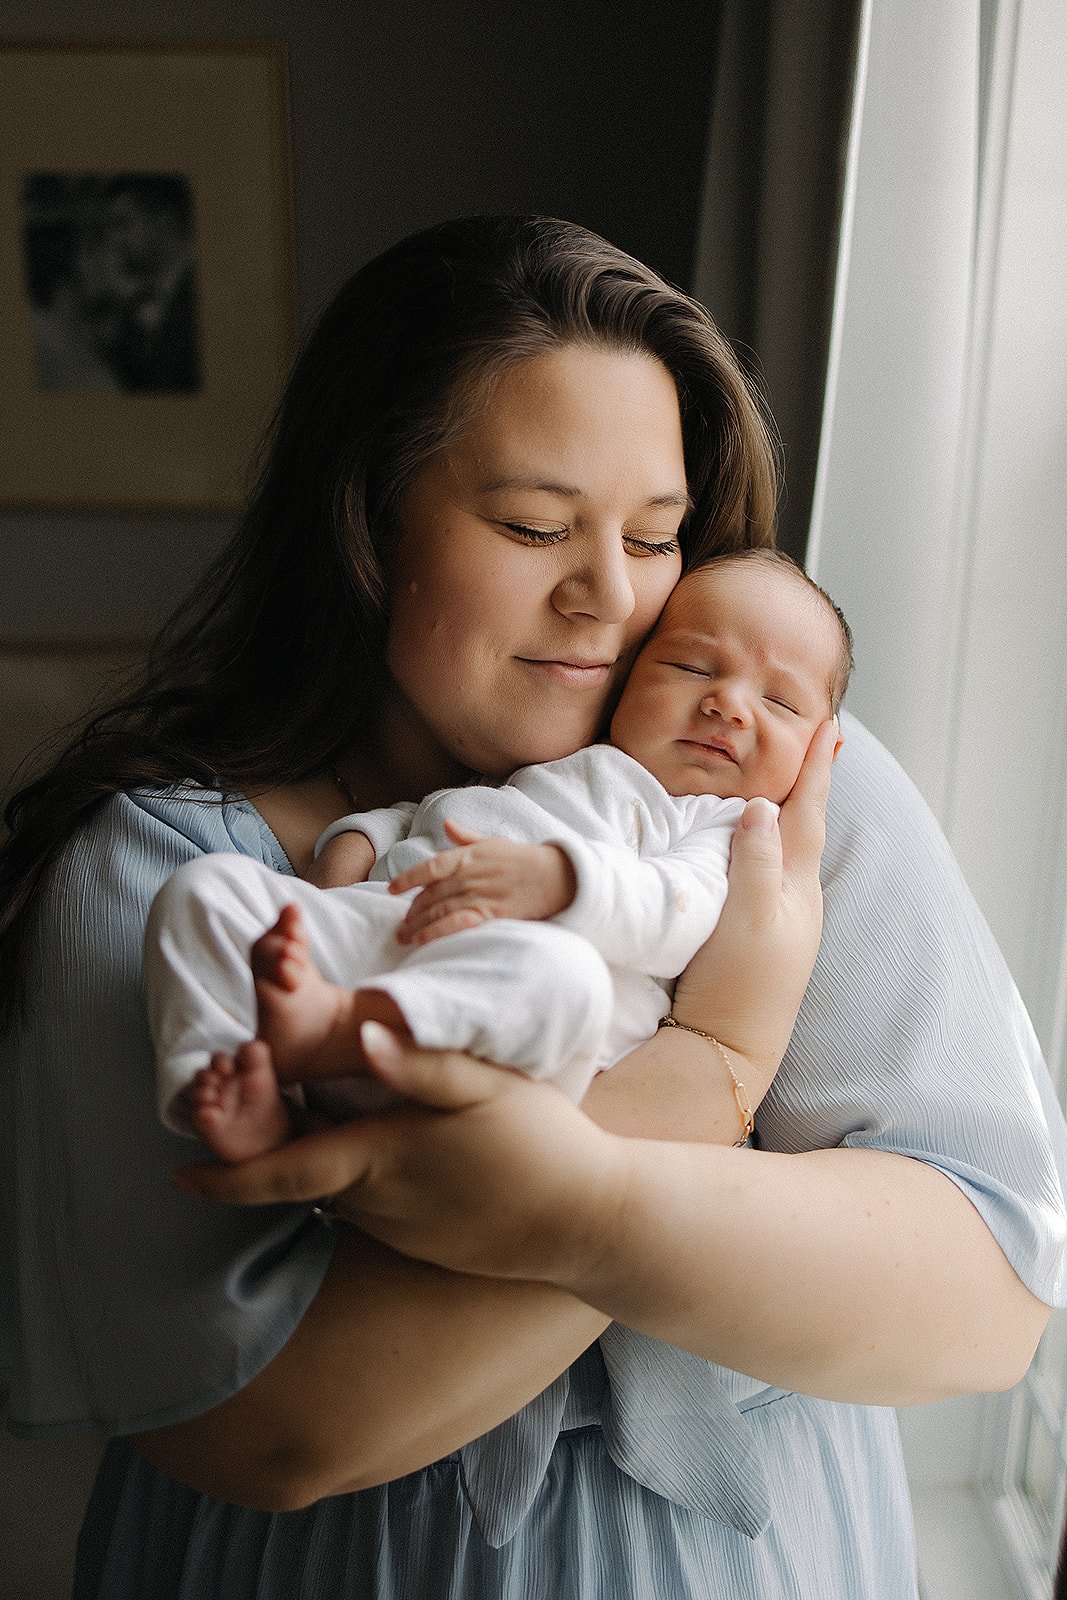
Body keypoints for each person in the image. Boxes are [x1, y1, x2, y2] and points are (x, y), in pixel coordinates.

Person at [0, 216, 1063, 1600]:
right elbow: (272, 1423)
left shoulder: (771, 796)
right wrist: (711, 1069)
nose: (608, 596)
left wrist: (591, 1191)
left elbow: (983, 1307)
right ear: (367, 523)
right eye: (533, 527)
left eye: (655, 537)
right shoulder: (169, 865)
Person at [147, 550, 852, 1163]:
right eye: (691, 666)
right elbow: (444, 813)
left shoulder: (730, 826)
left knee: (564, 974)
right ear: (629, 673)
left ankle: (337, 1030)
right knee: (207, 889)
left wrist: (561, 881)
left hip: (505, 1030)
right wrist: (358, 842)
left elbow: (681, 912)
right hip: (392, 927)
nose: (728, 704)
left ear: (823, 749)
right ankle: (241, 1084)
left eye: (780, 702)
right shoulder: (563, 749)